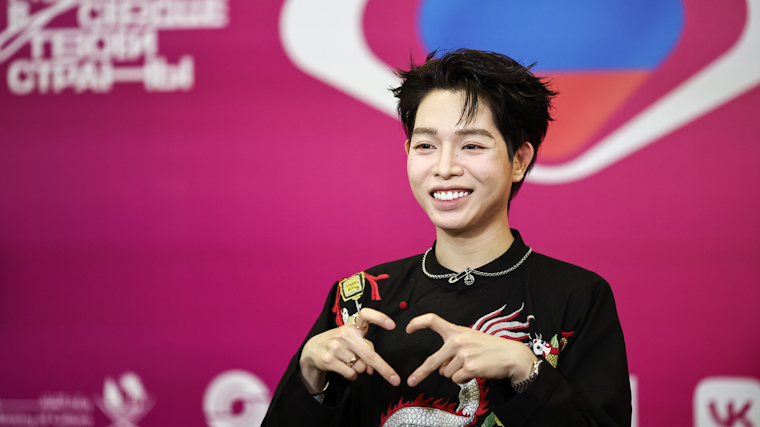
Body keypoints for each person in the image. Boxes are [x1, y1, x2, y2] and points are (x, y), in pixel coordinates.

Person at [262, 49, 631, 426]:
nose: (444, 167)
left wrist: (526, 370)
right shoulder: (359, 297)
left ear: (519, 160)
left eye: (472, 145)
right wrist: (309, 375)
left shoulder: (578, 296)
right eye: (426, 145)